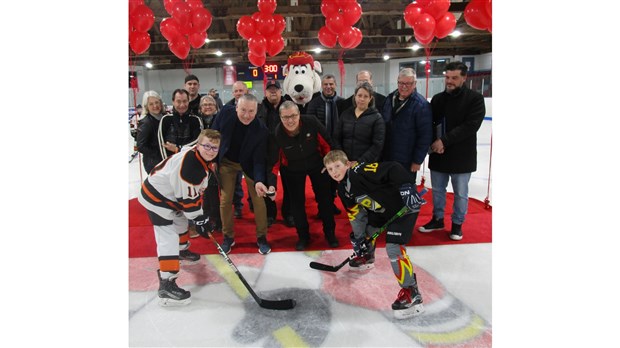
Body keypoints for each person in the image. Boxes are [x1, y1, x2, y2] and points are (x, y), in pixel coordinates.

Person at [323, 150, 425, 319]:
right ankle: (367, 256)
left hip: (404, 206)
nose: (334, 172)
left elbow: (393, 168)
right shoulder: (343, 189)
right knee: (368, 233)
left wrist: (407, 188)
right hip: (383, 210)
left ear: (347, 164)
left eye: (337, 166)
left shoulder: (360, 172)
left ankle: (411, 292)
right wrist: (359, 239)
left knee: (393, 249)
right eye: (330, 169)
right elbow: (356, 215)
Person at [138, 129, 221, 306]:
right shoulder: (191, 168)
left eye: (214, 148)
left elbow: (191, 198)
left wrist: (199, 218)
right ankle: (166, 282)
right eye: (206, 146)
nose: (210, 150)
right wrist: (200, 219)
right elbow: (189, 202)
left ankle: (182, 250)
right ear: (198, 145)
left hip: (170, 195)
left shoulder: (197, 157)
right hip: (156, 198)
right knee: (168, 236)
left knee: (181, 221)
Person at [419, 61, 486, 241]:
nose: (449, 81)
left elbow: (470, 126)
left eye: (454, 78)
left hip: (462, 156)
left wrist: (444, 141)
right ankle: (438, 219)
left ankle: (457, 225)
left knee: (460, 194)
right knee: (438, 191)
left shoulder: (475, 99)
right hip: (439, 155)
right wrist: (432, 143)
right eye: (447, 77)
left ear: (464, 78)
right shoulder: (438, 99)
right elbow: (431, 124)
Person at [267, 101, 338, 250]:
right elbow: (273, 163)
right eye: (285, 117)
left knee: (325, 200)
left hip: (317, 164)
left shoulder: (311, 122)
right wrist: (272, 184)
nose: (290, 120)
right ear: (280, 117)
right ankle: (303, 236)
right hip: (292, 169)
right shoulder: (277, 134)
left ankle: (330, 233)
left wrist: (331, 166)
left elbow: (328, 144)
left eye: (293, 115)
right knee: (297, 204)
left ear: (299, 114)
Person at [212, 93, 272, 255]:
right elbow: (213, 135)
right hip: (226, 161)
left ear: (257, 110)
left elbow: (259, 159)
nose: (246, 115)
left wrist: (259, 180)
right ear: (236, 107)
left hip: (249, 164)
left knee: (259, 199)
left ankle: (261, 237)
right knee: (225, 200)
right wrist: (212, 160)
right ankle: (228, 237)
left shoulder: (261, 130)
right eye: (243, 110)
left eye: (251, 111)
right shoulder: (225, 113)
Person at [381, 68, 433, 182]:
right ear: (397, 82)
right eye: (401, 83)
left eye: (408, 83)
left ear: (414, 84)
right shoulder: (389, 99)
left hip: (406, 160)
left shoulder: (421, 105)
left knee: (404, 191)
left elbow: (425, 135)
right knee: (387, 190)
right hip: (387, 156)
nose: (404, 86)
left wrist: (417, 160)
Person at [257, 80, 293, 227]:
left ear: (281, 91)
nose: (273, 92)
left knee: (290, 185)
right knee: (268, 185)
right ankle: (270, 214)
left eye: (276, 89)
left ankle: (289, 214)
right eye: (270, 89)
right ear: (265, 92)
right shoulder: (259, 108)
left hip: (287, 152)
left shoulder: (289, 107)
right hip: (266, 152)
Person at [333, 82, 386, 163]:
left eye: (366, 96)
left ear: (370, 98)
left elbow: (377, 146)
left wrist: (360, 162)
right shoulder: (345, 114)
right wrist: (342, 158)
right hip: (344, 162)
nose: (362, 99)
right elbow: (336, 138)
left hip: (365, 164)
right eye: (359, 95)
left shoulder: (377, 118)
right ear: (355, 96)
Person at [196, 95, 222, 233]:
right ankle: (208, 218)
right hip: (200, 161)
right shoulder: (197, 121)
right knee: (205, 191)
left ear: (216, 106)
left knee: (214, 190)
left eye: (211, 104)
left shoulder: (220, 120)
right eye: (205, 104)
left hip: (216, 160)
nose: (208, 106)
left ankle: (217, 219)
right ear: (200, 108)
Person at [223, 81, 248, 218]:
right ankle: (237, 205)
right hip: (233, 153)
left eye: (241, 90)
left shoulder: (253, 106)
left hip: (249, 152)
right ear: (233, 93)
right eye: (236, 91)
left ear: (246, 92)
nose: (238, 93)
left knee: (253, 181)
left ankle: (253, 204)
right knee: (235, 183)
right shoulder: (226, 108)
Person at [157, 89, 204, 159]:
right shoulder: (165, 120)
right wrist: (167, 163)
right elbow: (162, 145)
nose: (182, 105)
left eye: (185, 101)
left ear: (188, 101)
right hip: (170, 162)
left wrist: (178, 149)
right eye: (178, 101)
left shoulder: (196, 120)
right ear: (173, 102)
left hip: (189, 161)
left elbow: (197, 142)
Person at [136, 91, 166, 174]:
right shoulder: (146, 123)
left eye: (157, 102)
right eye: (151, 104)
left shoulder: (164, 117)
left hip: (165, 160)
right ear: (146, 106)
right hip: (154, 163)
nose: (155, 106)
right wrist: (158, 152)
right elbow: (141, 146)